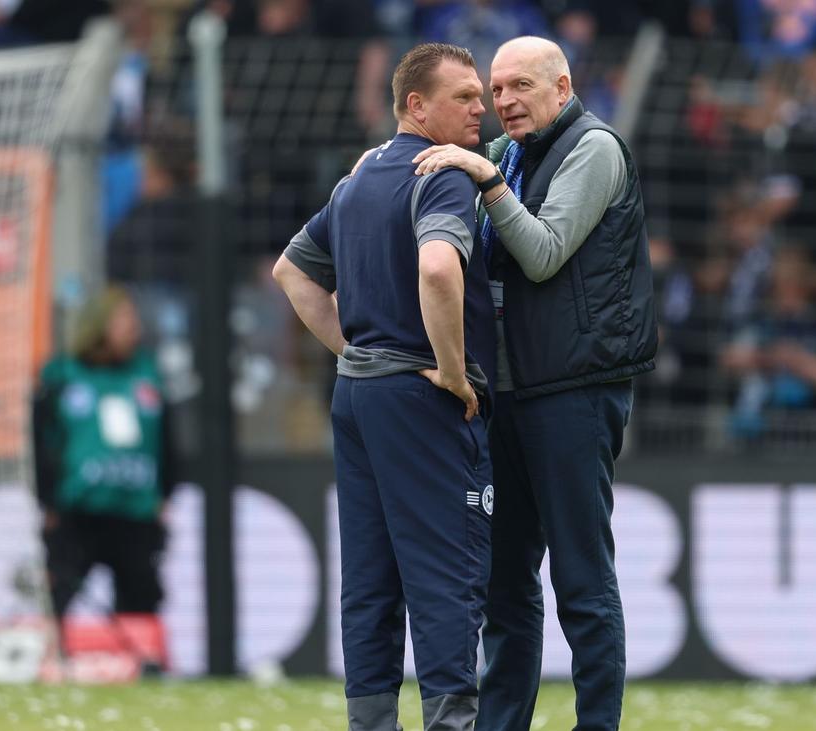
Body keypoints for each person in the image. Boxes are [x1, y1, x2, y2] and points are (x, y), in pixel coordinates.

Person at [411, 35, 657, 731]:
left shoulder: (594, 148)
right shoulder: (509, 154)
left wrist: (486, 182)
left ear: (563, 86)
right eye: (496, 90)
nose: (505, 101)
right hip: (508, 394)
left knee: (581, 579)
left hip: (573, 391)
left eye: (520, 85)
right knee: (505, 585)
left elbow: (544, 254)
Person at [271, 42, 495, 731]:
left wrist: (356, 353)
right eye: (464, 97)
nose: (481, 109)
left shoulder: (360, 176)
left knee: (369, 578)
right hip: (420, 396)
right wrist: (451, 368)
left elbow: (292, 272)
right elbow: (439, 269)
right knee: (446, 572)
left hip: (358, 395)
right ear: (416, 106)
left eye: (481, 96)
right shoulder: (443, 173)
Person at [31, 286, 174, 675]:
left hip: (136, 512)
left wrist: (165, 494)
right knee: (60, 592)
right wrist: (48, 501)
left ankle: (145, 669)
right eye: (124, 318)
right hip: (77, 511)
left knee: (142, 594)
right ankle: (52, 665)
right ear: (98, 325)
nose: (134, 327)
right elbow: (42, 442)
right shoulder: (61, 376)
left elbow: (168, 442)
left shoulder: (148, 375)